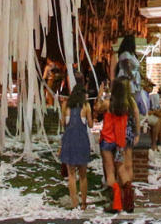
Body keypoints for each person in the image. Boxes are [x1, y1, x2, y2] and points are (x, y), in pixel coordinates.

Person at [99, 78, 139, 213]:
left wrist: (100, 92)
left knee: (110, 173)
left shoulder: (108, 104)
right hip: (120, 141)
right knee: (122, 169)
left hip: (107, 141)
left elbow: (97, 108)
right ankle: (128, 199)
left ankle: (115, 203)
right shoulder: (127, 106)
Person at [59, 83, 92, 209]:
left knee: (71, 174)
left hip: (69, 141)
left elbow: (63, 123)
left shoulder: (65, 105)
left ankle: (74, 202)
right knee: (83, 174)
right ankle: (84, 203)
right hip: (82, 141)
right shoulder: (86, 106)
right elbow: (90, 125)